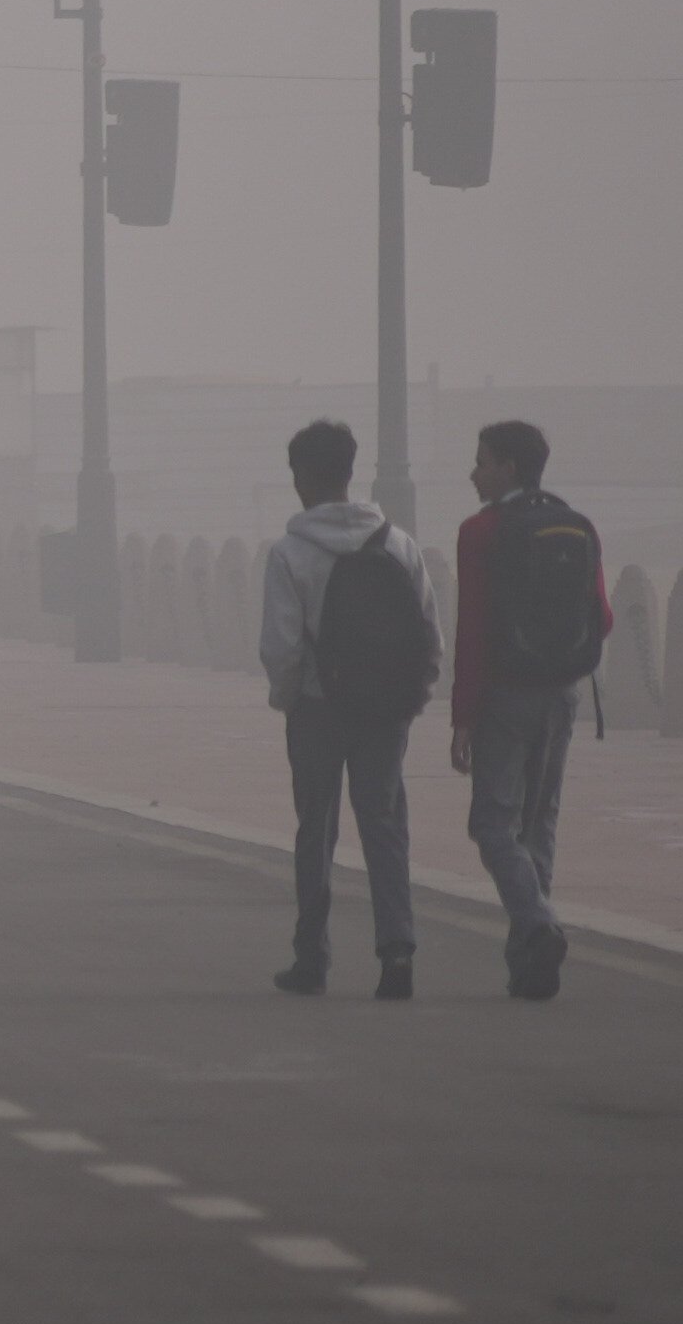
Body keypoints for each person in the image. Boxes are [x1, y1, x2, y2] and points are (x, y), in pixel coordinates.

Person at [257, 418, 440, 999]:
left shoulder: (290, 552)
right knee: (384, 825)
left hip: (317, 707)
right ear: (350, 471)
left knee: (317, 828)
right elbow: (428, 633)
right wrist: (412, 697)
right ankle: (397, 955)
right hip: (385, 710)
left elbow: (282, 645)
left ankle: (312, 957)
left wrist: (287, 699)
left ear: (303, 476)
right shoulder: (397, 542)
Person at [451, 419, 611, 1002]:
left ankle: (537, 922)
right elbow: (606, 618)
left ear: (510, 468)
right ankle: (532, 965)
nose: (474, 472)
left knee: (491, 821)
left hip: (504, 693)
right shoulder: (576, 524)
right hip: (563, 693)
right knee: (539, 822)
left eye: (483, 460)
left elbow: (472, 630)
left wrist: (461, 717)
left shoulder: (480, 531)